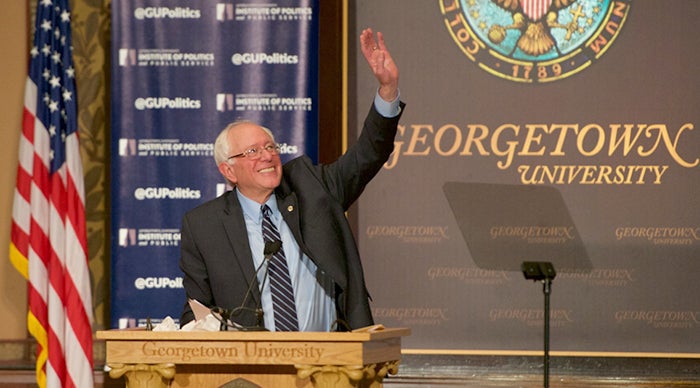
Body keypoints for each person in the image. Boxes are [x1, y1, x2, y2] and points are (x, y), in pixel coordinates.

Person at [179, 28, 404, 331]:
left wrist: (387, 90)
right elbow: (197, 310)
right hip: (254, 370)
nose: (266, 155)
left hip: (331, 363)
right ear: (228, 170)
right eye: (252, 151)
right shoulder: (203, 225)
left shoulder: (313, 187)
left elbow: (368, 154)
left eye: (270, 147)